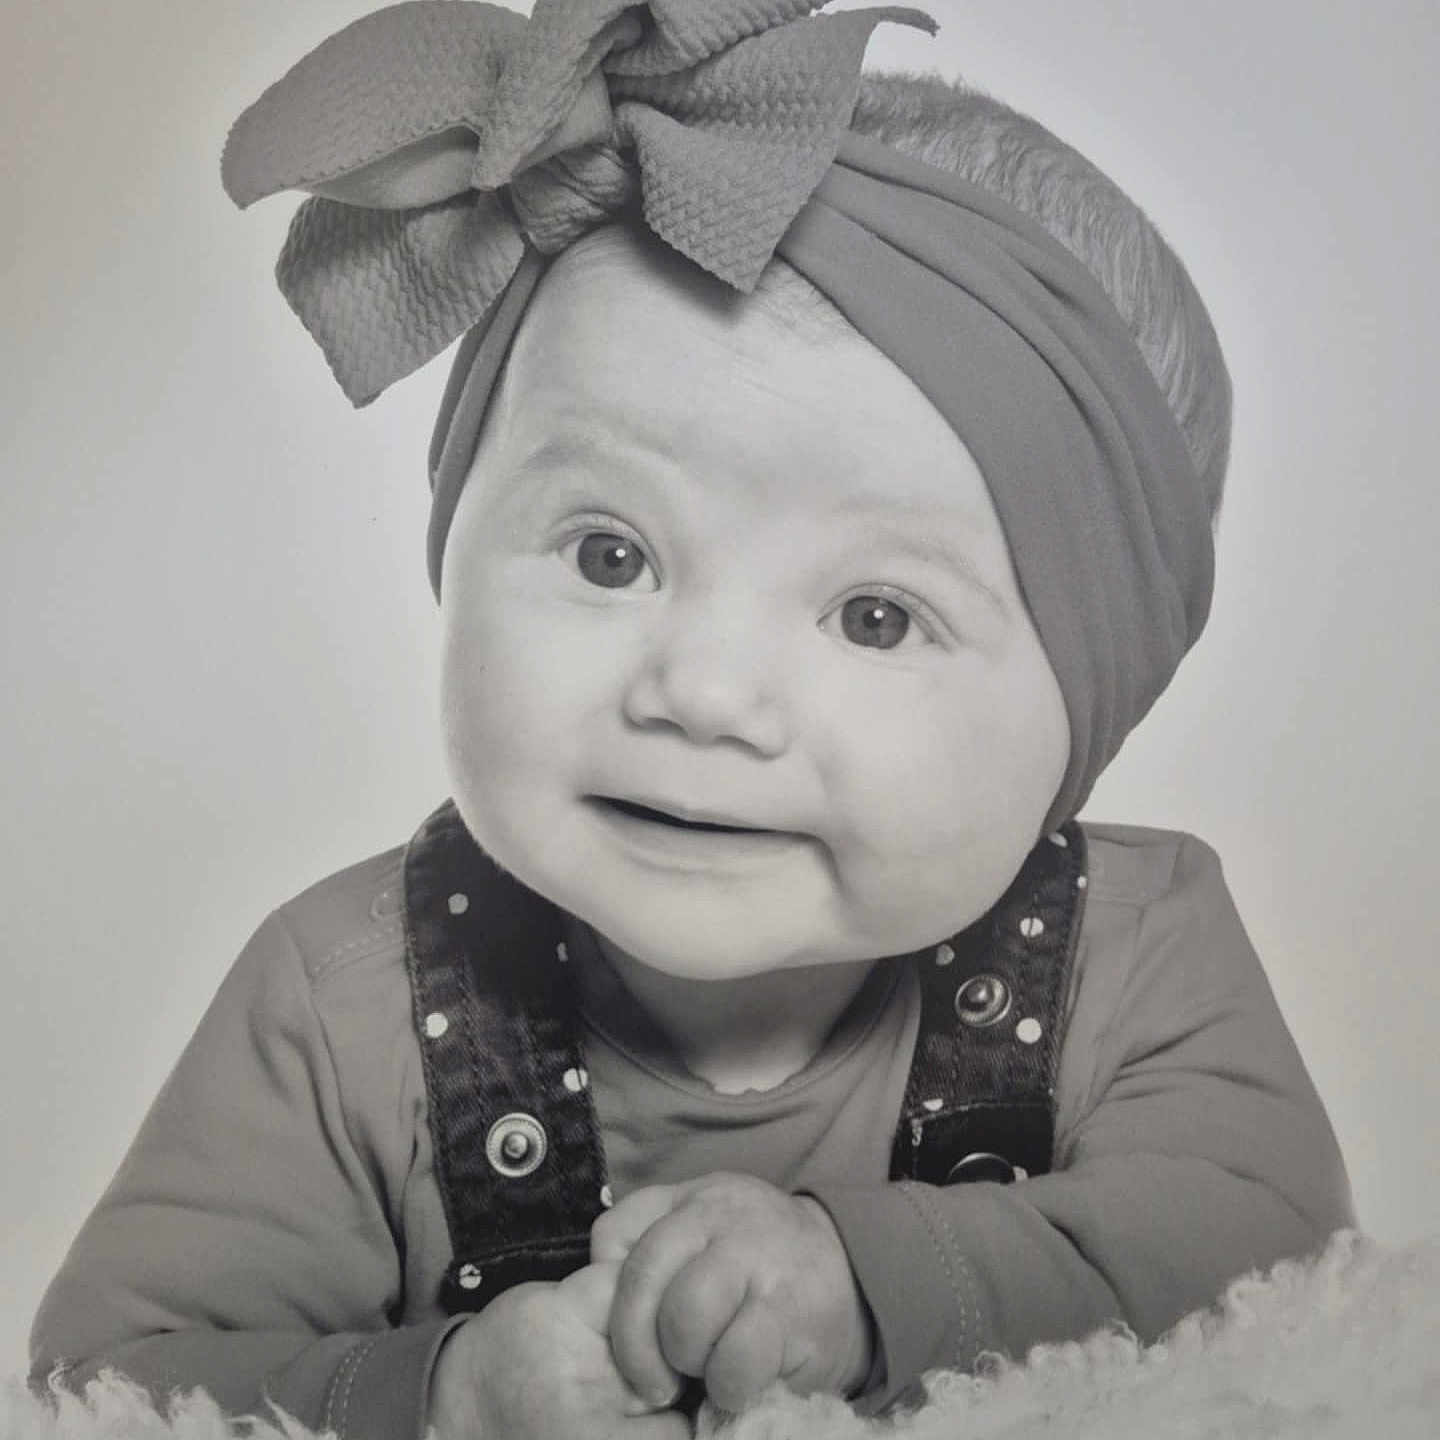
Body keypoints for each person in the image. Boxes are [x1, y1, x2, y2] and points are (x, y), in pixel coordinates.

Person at [29, 4, 1353, 1438]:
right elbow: (109, 1385)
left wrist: (870, 1287)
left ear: (1093, 700)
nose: (704, 695)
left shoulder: (1133, 959)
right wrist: (445, 1398)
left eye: (876, 616)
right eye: (610, 555)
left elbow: (1285, 1285)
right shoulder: (342, 1004)